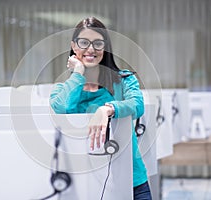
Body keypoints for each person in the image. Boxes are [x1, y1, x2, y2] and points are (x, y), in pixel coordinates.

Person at [49, 16, 152, 200]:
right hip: (84, 186)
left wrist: (107, 109)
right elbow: (61, 108)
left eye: (98, 43)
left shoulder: (124, 80)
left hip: (132, 180)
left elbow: (137, 105)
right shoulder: (62, 90)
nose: (91, 49)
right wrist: (78, 73)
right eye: (84, 43)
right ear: (74, 46)